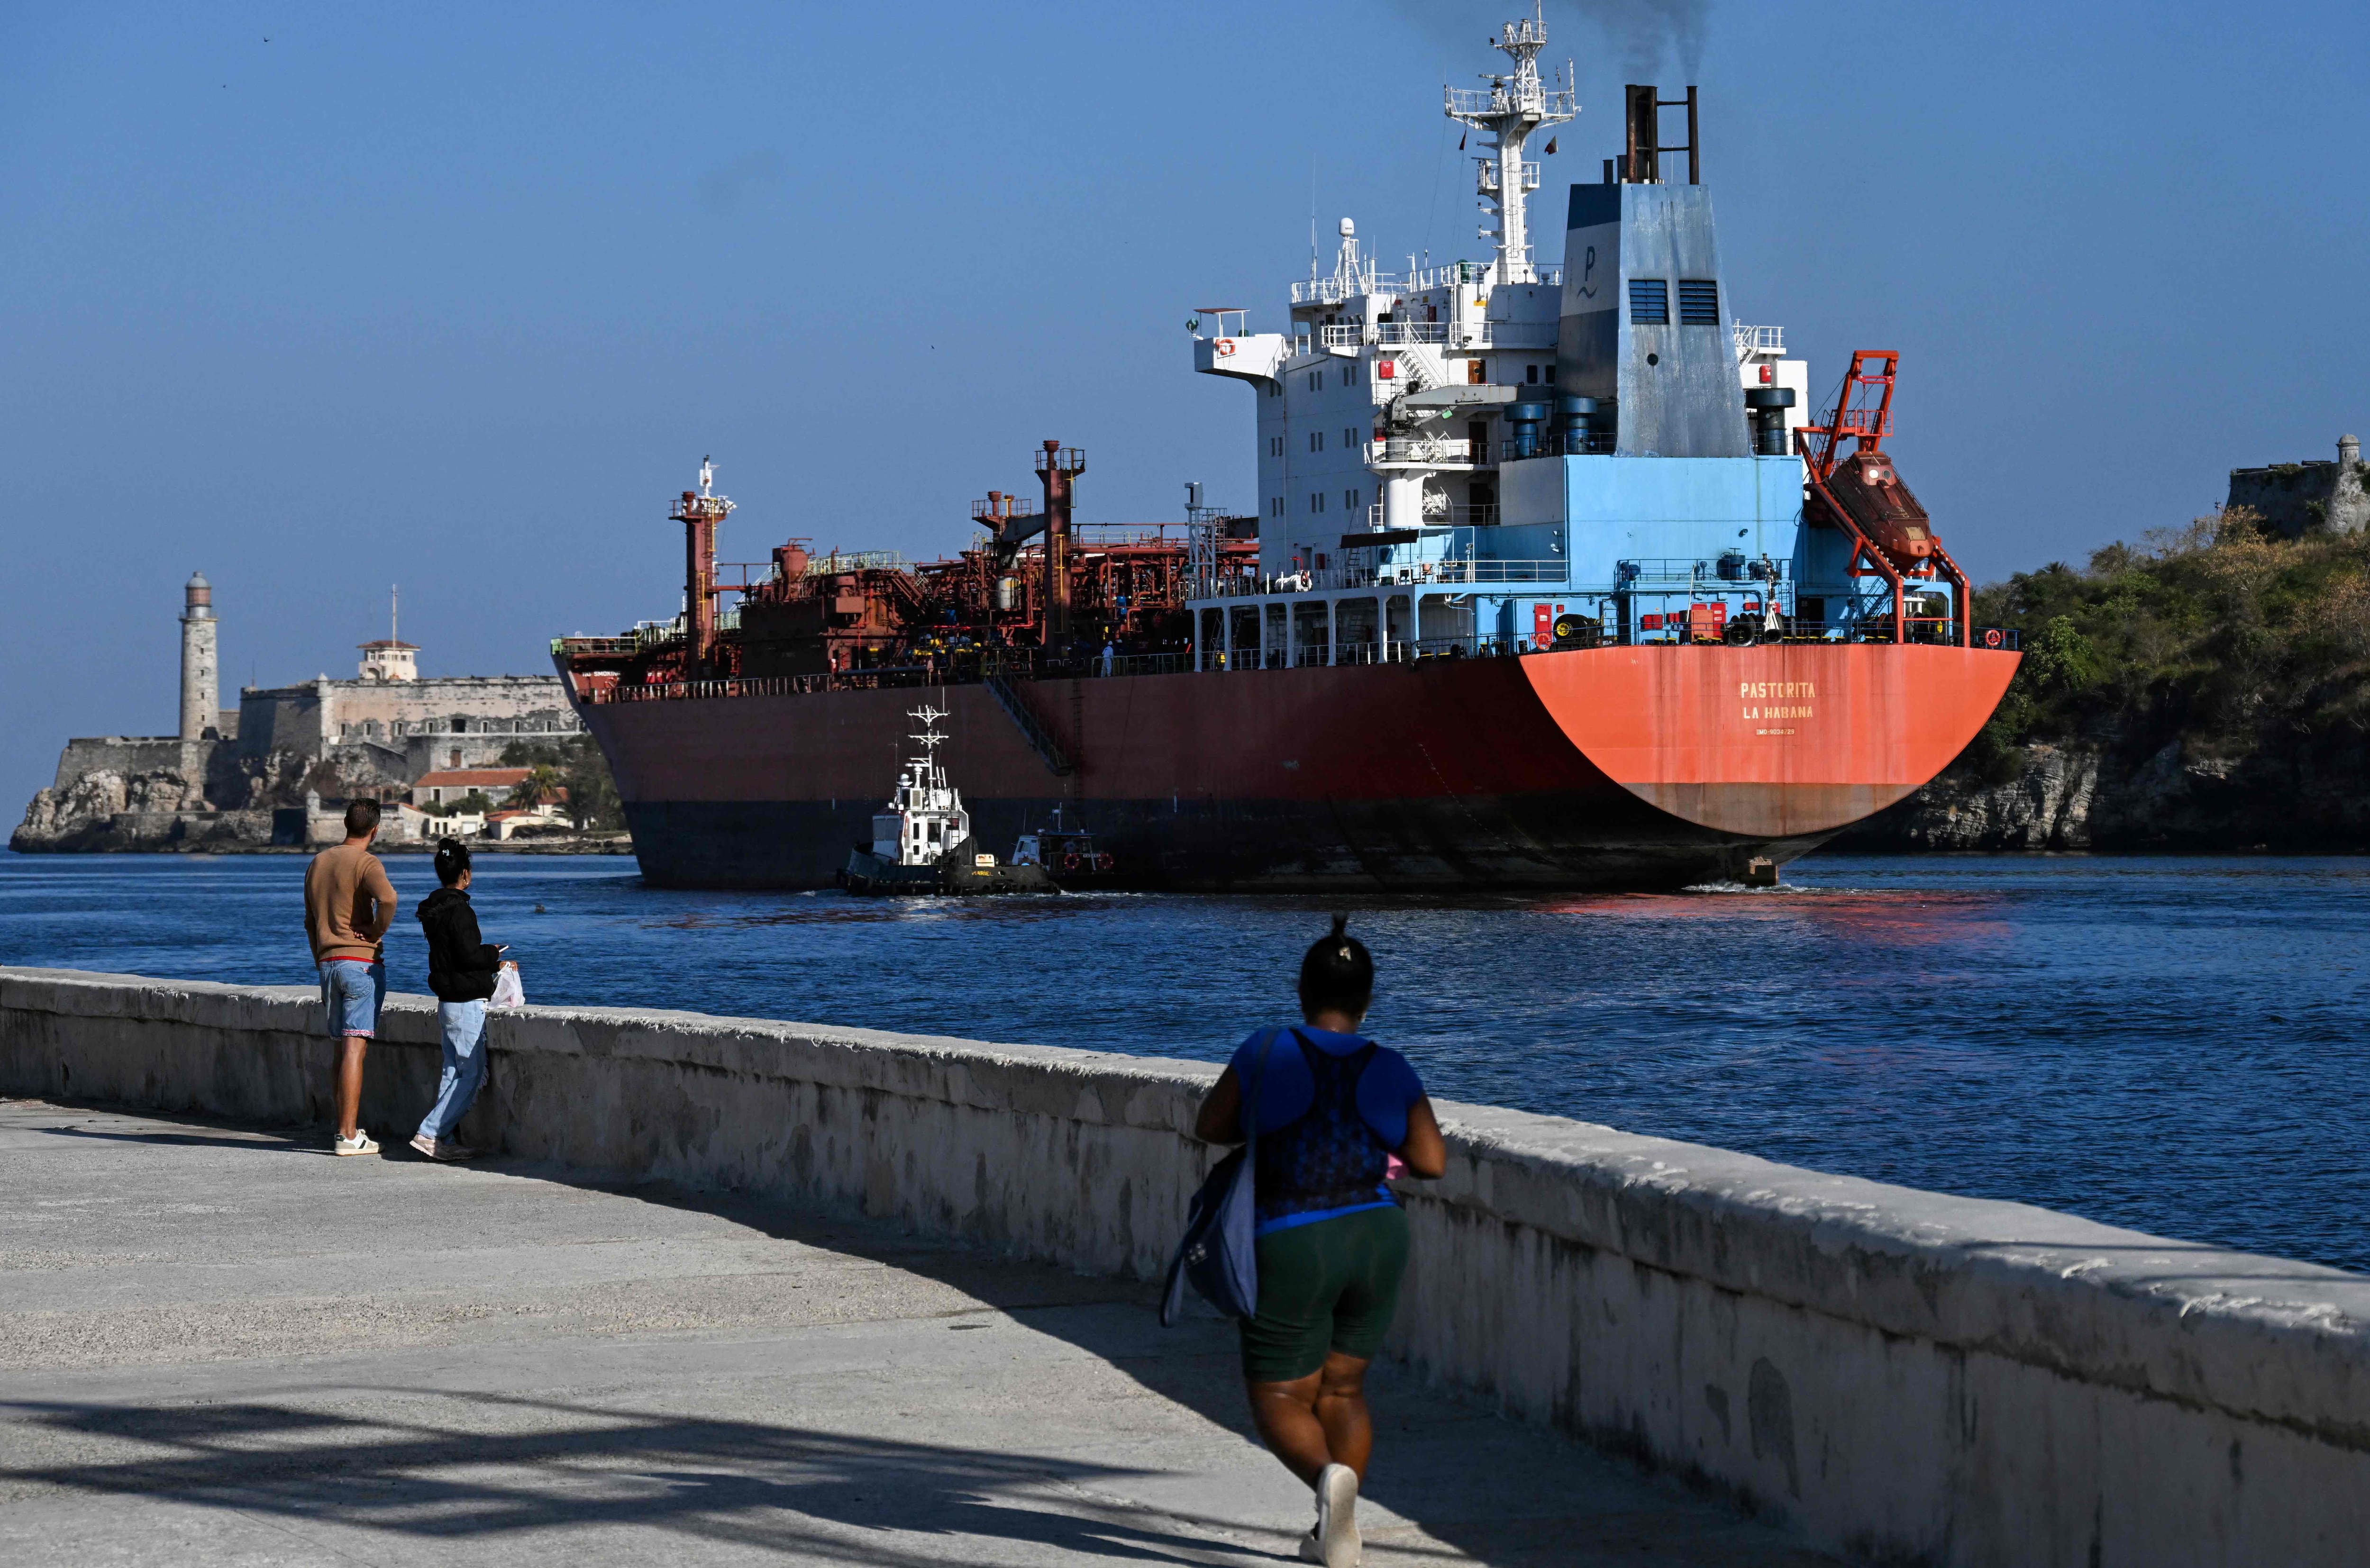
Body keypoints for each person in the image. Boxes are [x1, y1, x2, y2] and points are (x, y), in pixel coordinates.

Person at [1193, 915, 1446, 1568]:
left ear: (1302, 991)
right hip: (1377, 1233)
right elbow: (1431, 1161)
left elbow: (1211, 1125)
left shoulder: (1267, 1049)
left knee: (1279, 1395)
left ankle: (1326, 1482)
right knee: (1344, 1391)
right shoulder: (1389, 1066)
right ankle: (1335, 1531)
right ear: (1368, 998)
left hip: (1293, 1233)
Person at [303, 798, 400, 1156]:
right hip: (359, 964)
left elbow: (310, 921)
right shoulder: (366, 862)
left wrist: (321, 958)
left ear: (345, 823)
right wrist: (376, 930)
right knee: (355, 1049)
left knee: (340, 1049)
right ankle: (348, 1134)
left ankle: (343, 1126)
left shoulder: (318, 862)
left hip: (328, 963)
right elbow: (389, 898)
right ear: (375, 829)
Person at [412, 836, 509, 1162]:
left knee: (452, 1071)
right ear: (465, 874)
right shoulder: (461, 911)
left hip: (447, 1001)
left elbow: (452, 955)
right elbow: (469, 955)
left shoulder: (434, 911)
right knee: (471, 1072)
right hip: (467, 1002)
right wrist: (494, 955)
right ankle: (430, 1132)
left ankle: (444, 1140)